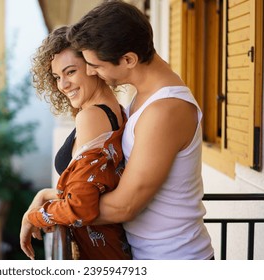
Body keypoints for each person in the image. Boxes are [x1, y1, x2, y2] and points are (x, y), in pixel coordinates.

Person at [66, 0, 214, 260]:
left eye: (97, 65)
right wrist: (56, 197)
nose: (90, 72)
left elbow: (125, 206)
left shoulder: (165, 110)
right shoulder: (147, 94)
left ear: (128, 59)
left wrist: (53, 211)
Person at [19, 26, 131, 260]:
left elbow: (81, 207)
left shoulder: (91, 116)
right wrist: (44, 194)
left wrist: (33, 217)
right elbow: (92, 188)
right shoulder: (114, 109)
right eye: (58, 77)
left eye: (70, 72)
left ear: (93, 66)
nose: (63, 85)